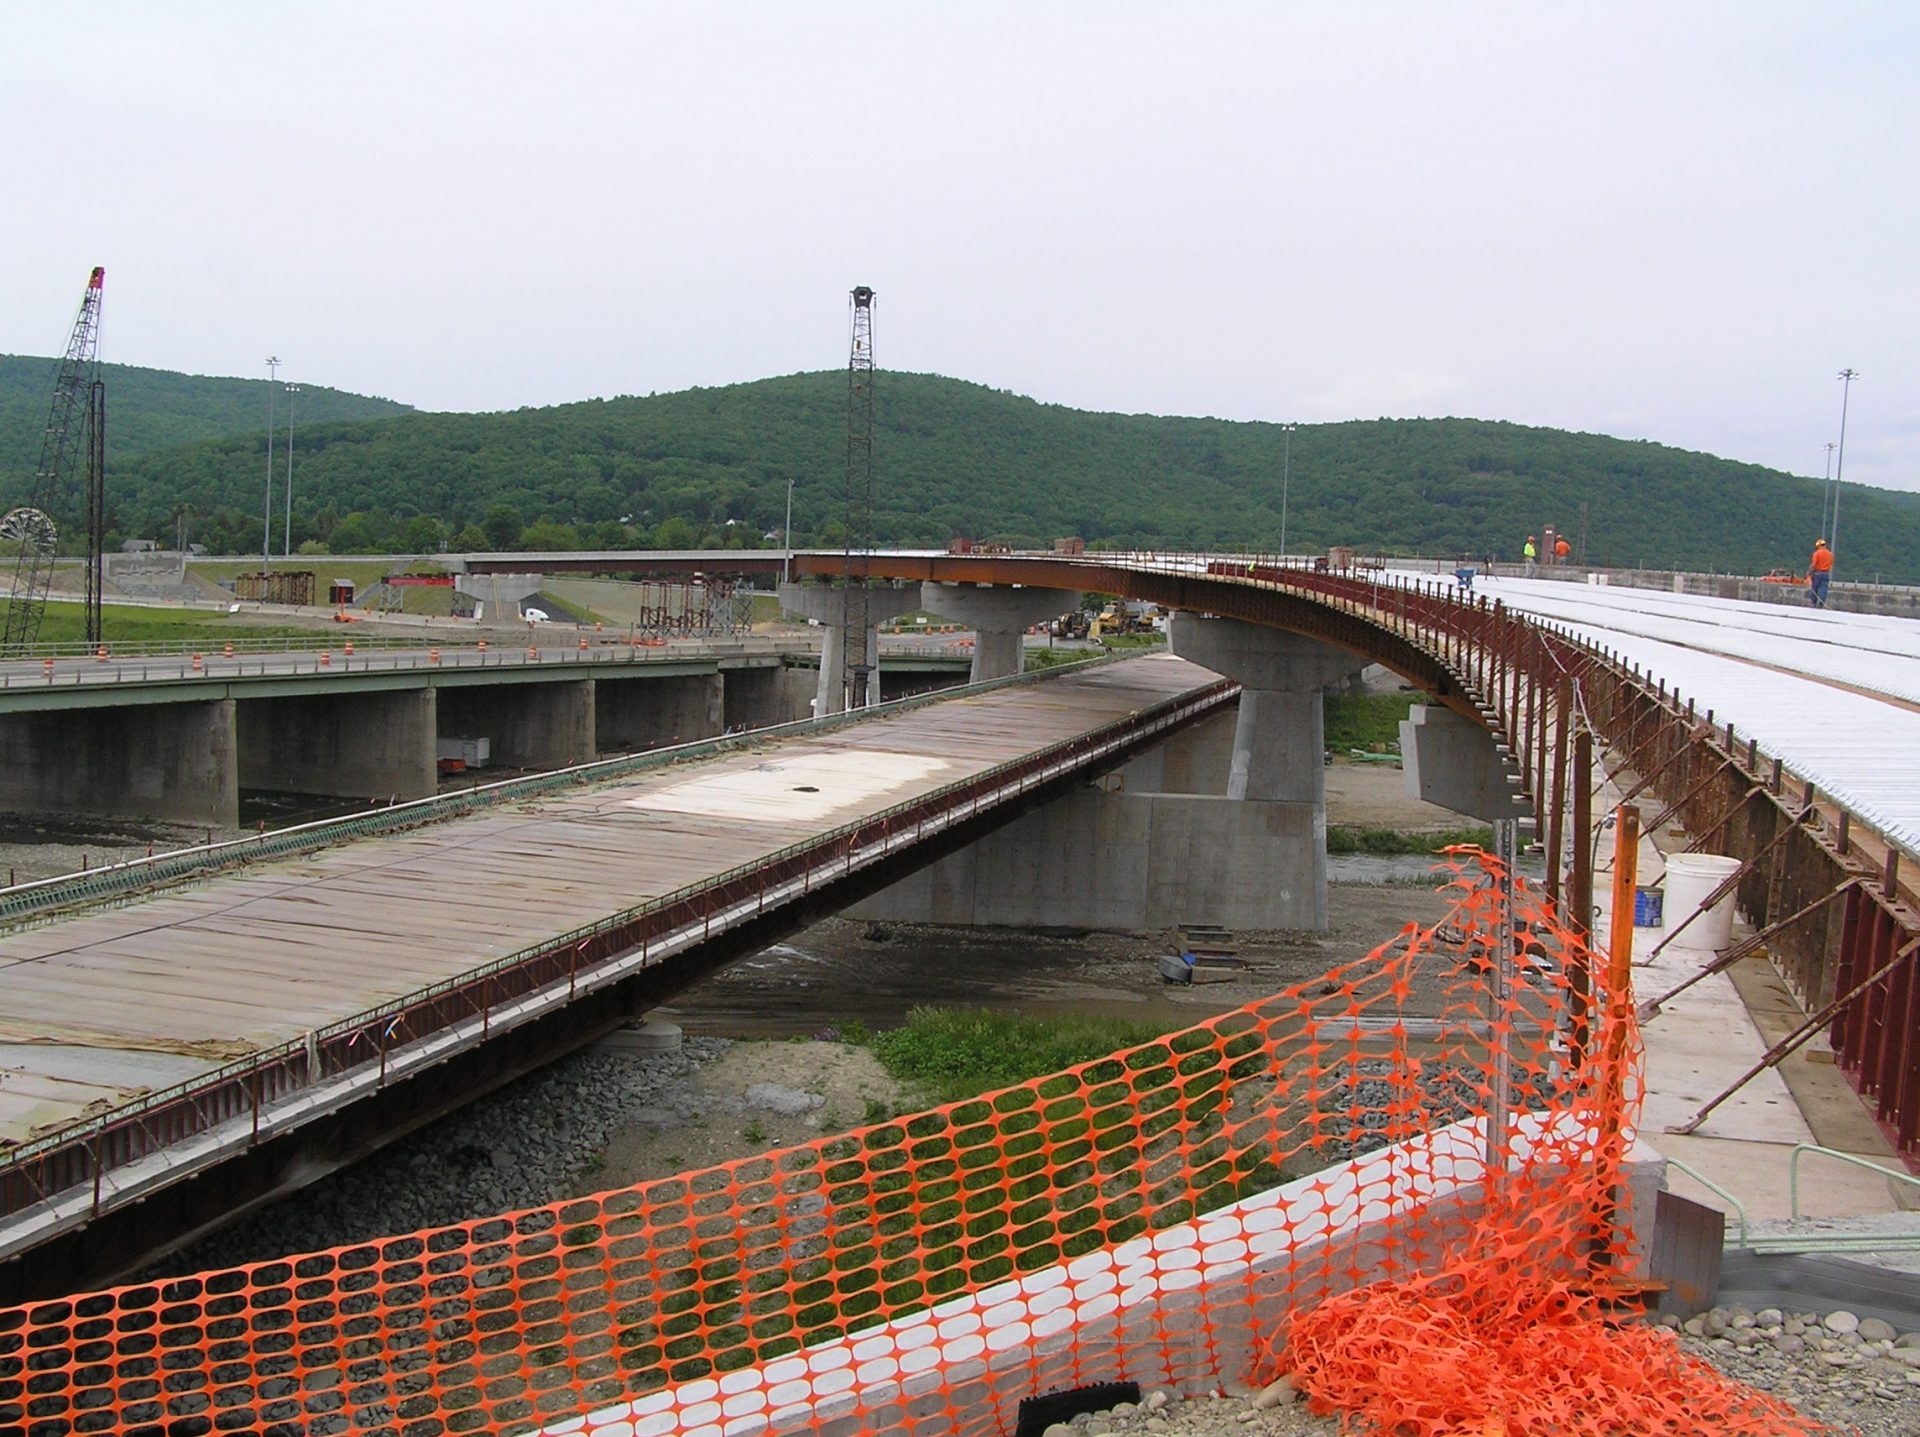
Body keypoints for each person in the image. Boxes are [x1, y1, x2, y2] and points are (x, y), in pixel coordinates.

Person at [1808, 538, 1834, 608]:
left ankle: (1814, 603)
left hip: (1817, 574)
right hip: (1826, 573)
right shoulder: (1830, 554)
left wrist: (1809, 571)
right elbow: (1831, 564)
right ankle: (1821, 603)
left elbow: (1814, 564)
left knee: (1814, 589)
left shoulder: (1817, 553)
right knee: (1823, 589)